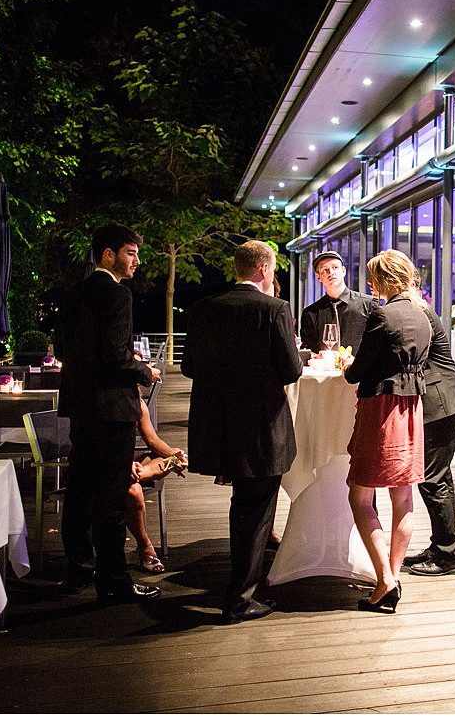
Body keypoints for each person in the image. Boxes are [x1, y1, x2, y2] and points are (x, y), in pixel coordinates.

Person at [183, 240, 303, 623]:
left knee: (243, 506)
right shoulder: (275, 309)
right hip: (261, 429)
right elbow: (290, 370)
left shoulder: (204, 309)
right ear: (265, 269)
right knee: (256, 511)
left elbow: (188, 367)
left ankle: (239, 587)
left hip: (217, 426)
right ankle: (240, 598)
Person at [56, 223, 161, 603]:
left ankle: (79, 569)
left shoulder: (73, 294)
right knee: (111, 496)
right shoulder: (118, 296)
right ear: (108, 255)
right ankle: (114, 580)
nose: (137, 261)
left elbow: (64, 349)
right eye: (131, 253)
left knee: (80, 490)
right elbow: (116, 357)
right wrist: (144, 370)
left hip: (81, 406)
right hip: (112, 410)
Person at [340, 249, 431, 613]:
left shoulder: (383, 314)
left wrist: (348, 363)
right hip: (411, 410)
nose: (371, 287)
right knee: (403, 497)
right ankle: (389, 580)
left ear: (384, 281)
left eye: (373, 280)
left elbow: (357, 372)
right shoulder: (423, 315)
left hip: (382, 409)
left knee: (358, 496)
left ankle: (386, 580)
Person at [403, 280, 455, 578]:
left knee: (432, 478)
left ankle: (448, 554)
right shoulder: (416, 308)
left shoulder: (416, 311)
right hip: (444, 402)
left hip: (442, 403)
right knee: (437, 477)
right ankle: (443, 546)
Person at [126, 394, 187, 574]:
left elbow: (152, 440)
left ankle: (137, 473)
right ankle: (145, 546)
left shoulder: (137, 402)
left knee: (165, 459)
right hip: (104, 462)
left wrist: (175, 454)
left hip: (131, 463)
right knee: (133, 490)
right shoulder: (105, 401)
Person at [299, 251, 377, 354]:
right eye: (325, 270)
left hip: (360, 368)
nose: (331, 272)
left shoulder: (368, 305)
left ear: (343, 271)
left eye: (335, 267)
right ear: (319, 277)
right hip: (324, 368)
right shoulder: (310, 313)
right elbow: (307, 350)